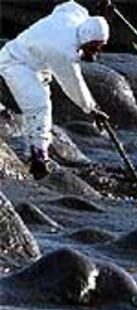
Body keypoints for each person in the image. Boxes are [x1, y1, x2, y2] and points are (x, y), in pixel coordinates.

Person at [0, 1, 110, 180]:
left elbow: (67, 5)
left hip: (37, 57)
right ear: (85, 36)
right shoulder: (63, 52)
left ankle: (37, 146)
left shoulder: (77, 15)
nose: (94, 54)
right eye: (92, 48)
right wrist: (92, 108)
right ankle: (38, 158)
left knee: (43, 103)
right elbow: (73, 85)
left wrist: (102, 15)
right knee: (39, 104)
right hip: (16, 62)